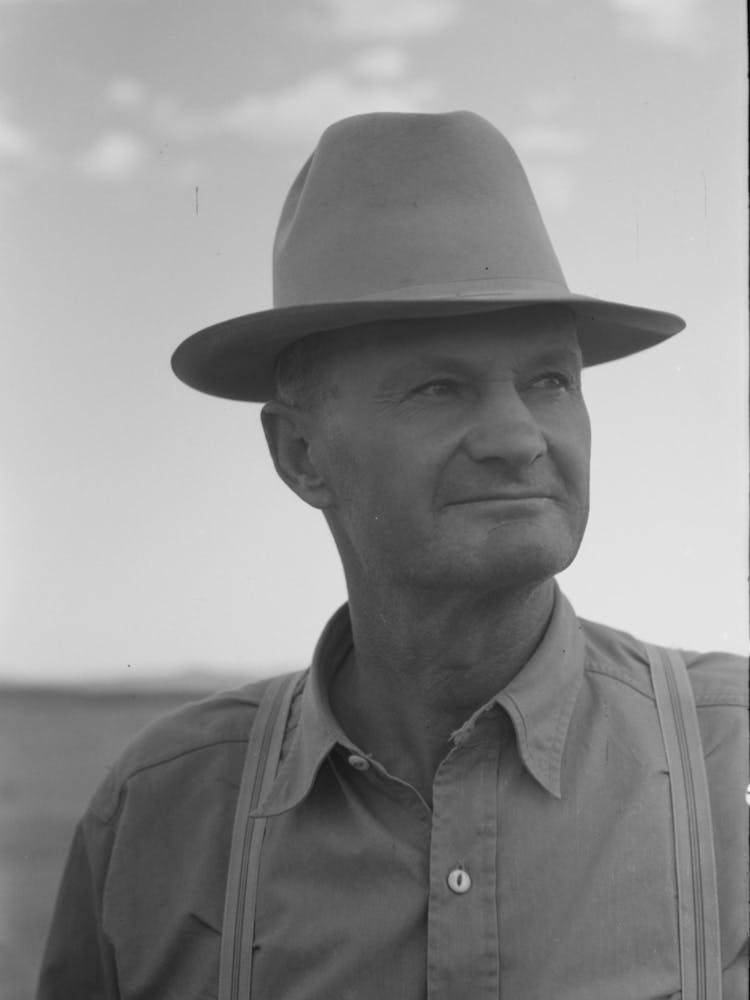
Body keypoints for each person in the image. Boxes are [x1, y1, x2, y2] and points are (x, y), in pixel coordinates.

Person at [38, 111, 747, 1000]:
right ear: (301, 455)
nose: (517, 437)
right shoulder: (157, 817)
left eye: (550, 380)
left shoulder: (736, 757)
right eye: (438, 386)